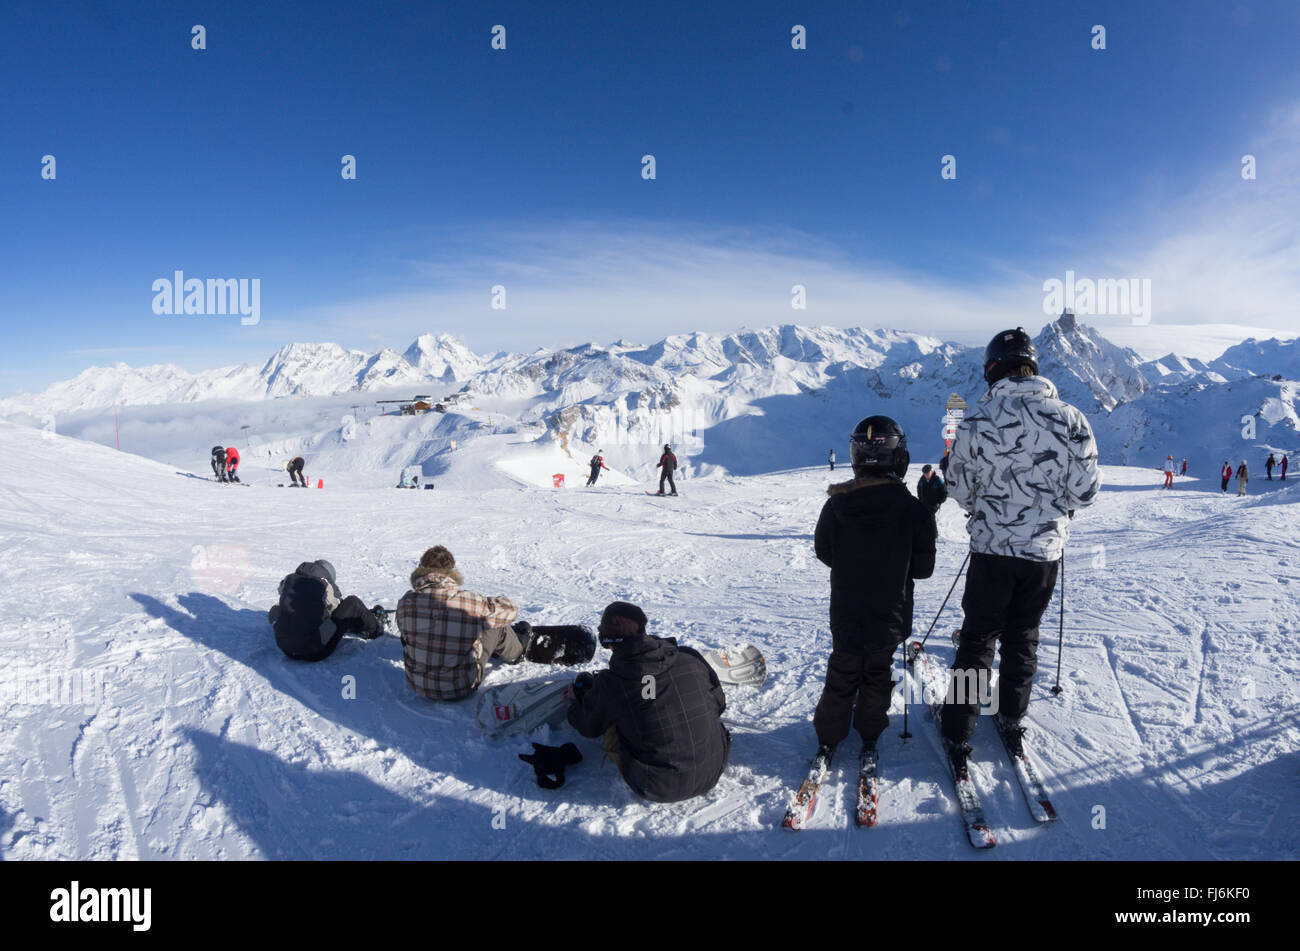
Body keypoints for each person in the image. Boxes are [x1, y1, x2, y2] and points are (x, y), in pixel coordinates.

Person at [941, 327, 1101, 774]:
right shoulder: (1072, 420)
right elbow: (1085, 492)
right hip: (1043, 554)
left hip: (991, 551)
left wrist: (983, 507)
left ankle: (958, 728)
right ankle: (1012, 715)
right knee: (1023, 635)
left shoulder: (975, 423)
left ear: (992, 369)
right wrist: (1055, 507)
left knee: (978, 639)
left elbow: (958, 487)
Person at [809, 416, 936, 772]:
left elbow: (824, 553)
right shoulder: (913, 509)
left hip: (847, 607)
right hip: (891, 611)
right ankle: (869, 732)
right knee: (877, 671)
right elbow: (924, 569)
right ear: (899, 458)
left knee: (843, 669)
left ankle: (829, 736)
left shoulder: (836, 505)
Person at [567, 601, 730, 803]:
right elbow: (719, 705)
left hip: (658, 786)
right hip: (715, 767)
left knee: (613, 723)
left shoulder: (614, 682)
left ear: (608, 642)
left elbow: (588, 726)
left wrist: (575, 703)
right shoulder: (689, 655)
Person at [395, 546, 531, 701]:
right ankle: (516, 653)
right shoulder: (469, 602)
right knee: (497, 625)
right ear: (451, 573)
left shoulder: (406, 602)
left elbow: (403, 633)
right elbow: (510, 610)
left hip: (417, 684)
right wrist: (490, 602)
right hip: (460, 687)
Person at [268, 560, 387, 661]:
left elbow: (283, 597)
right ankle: (375, 629)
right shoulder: (324, 583)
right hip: (314, 651)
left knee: (289, 607)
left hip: (285, 649)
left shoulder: (289, 579)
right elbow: (337, 607)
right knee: (353, 602)